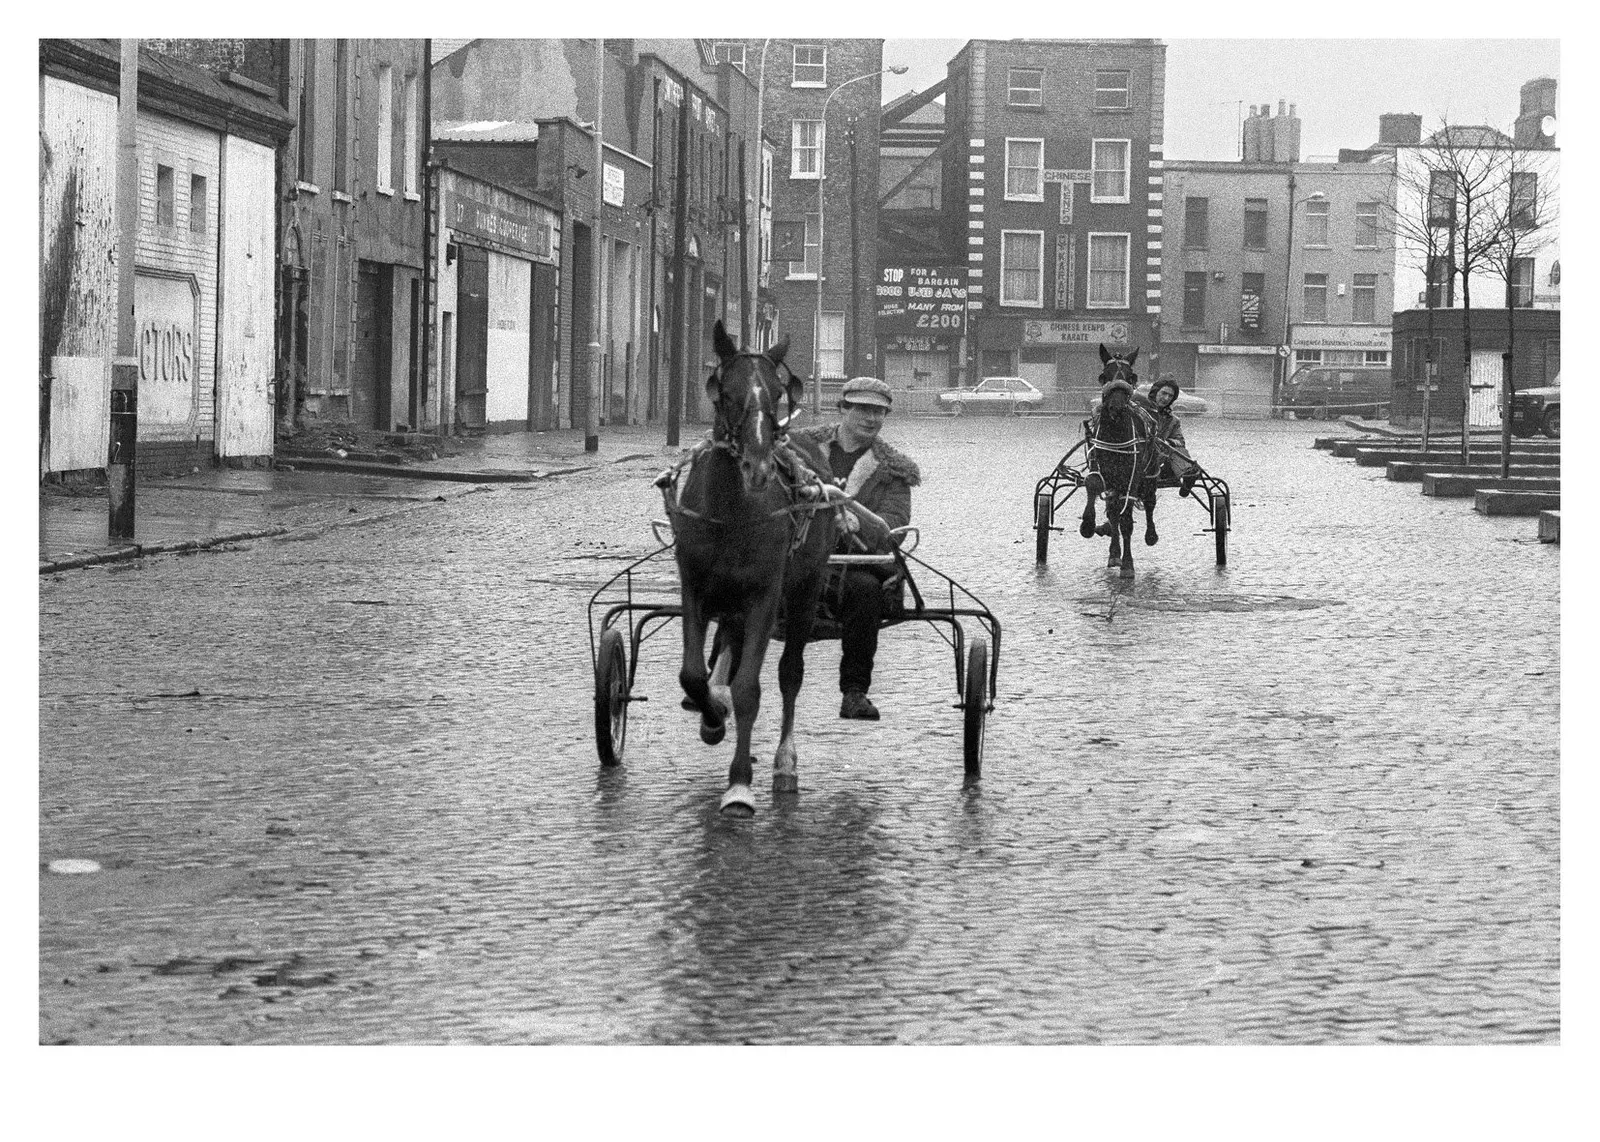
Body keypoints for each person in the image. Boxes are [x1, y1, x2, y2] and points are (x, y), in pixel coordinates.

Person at [791, 377, 921, 721]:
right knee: (749, 579)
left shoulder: (894, 469)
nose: (872, 418)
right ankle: (720, 676)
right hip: (794, 557)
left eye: (879, 411)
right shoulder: (797, 449)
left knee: (865, 591)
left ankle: (854, 692)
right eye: (863, 408)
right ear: (843, 408)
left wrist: (857, 524)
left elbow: (894, 524)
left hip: (851, 565)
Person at [1138, 376, 1200, 496]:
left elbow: (1180, 441)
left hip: (1160, 461)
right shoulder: (1140, 412)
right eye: (1163, 393)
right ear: (1155, 392)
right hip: (1139, 457)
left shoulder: (1173, 420)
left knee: (1177, 450)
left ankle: (1188, 474)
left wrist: (1168, 443)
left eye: (1170, 396)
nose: (1166, 398)